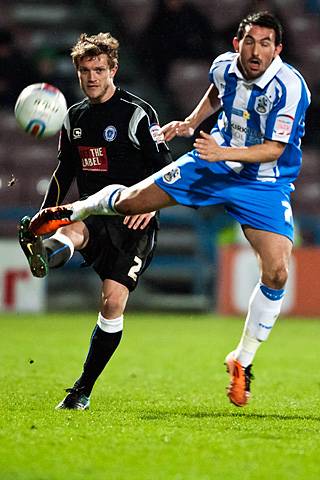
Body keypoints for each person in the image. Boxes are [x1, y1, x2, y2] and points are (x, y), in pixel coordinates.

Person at [29, 12, 311, 407]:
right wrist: (191, 122)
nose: (256, 50)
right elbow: (216, 92)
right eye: (250, 41)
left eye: (266, 43)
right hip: (210, 165)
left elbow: (275, 149)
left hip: (261, 182)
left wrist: (221, 151)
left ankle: (242, 361)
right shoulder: (224, 67)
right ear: (237, 43)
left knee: (278, 271)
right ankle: (75, 210)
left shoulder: (291, 88)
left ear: (277, 49)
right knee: (131, 200)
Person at [19, 32, 172, 410]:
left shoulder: (138, 114)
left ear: (113, 70)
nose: (92, 77)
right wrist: (45, 212)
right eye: (85, 70)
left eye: (99, 70)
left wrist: (150, 206)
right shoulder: (74, 117)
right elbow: (64, 172)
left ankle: (82, 389)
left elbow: (167, 171)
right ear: (78, 72)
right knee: (72, 228)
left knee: (111, 303)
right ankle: (47, 248)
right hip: (93, 212)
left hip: (133, 222)